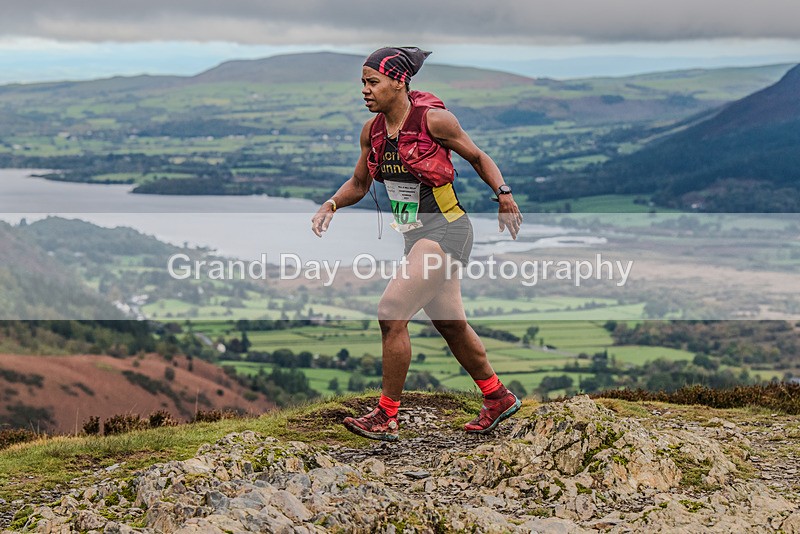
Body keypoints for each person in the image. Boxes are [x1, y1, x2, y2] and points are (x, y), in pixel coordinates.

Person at [311, 46, 523, 441]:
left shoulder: (434, 121)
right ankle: (498, 397)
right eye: (363, 82)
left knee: (391, 312)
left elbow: (478, 157)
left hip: (447, 230)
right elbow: (359, 183)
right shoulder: (372, 131)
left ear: (398, 82)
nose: (365, 90)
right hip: (415, 237)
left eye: (372, 82)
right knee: (451, 326)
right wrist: (332, 204)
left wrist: (504, 194)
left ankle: (386, 414)